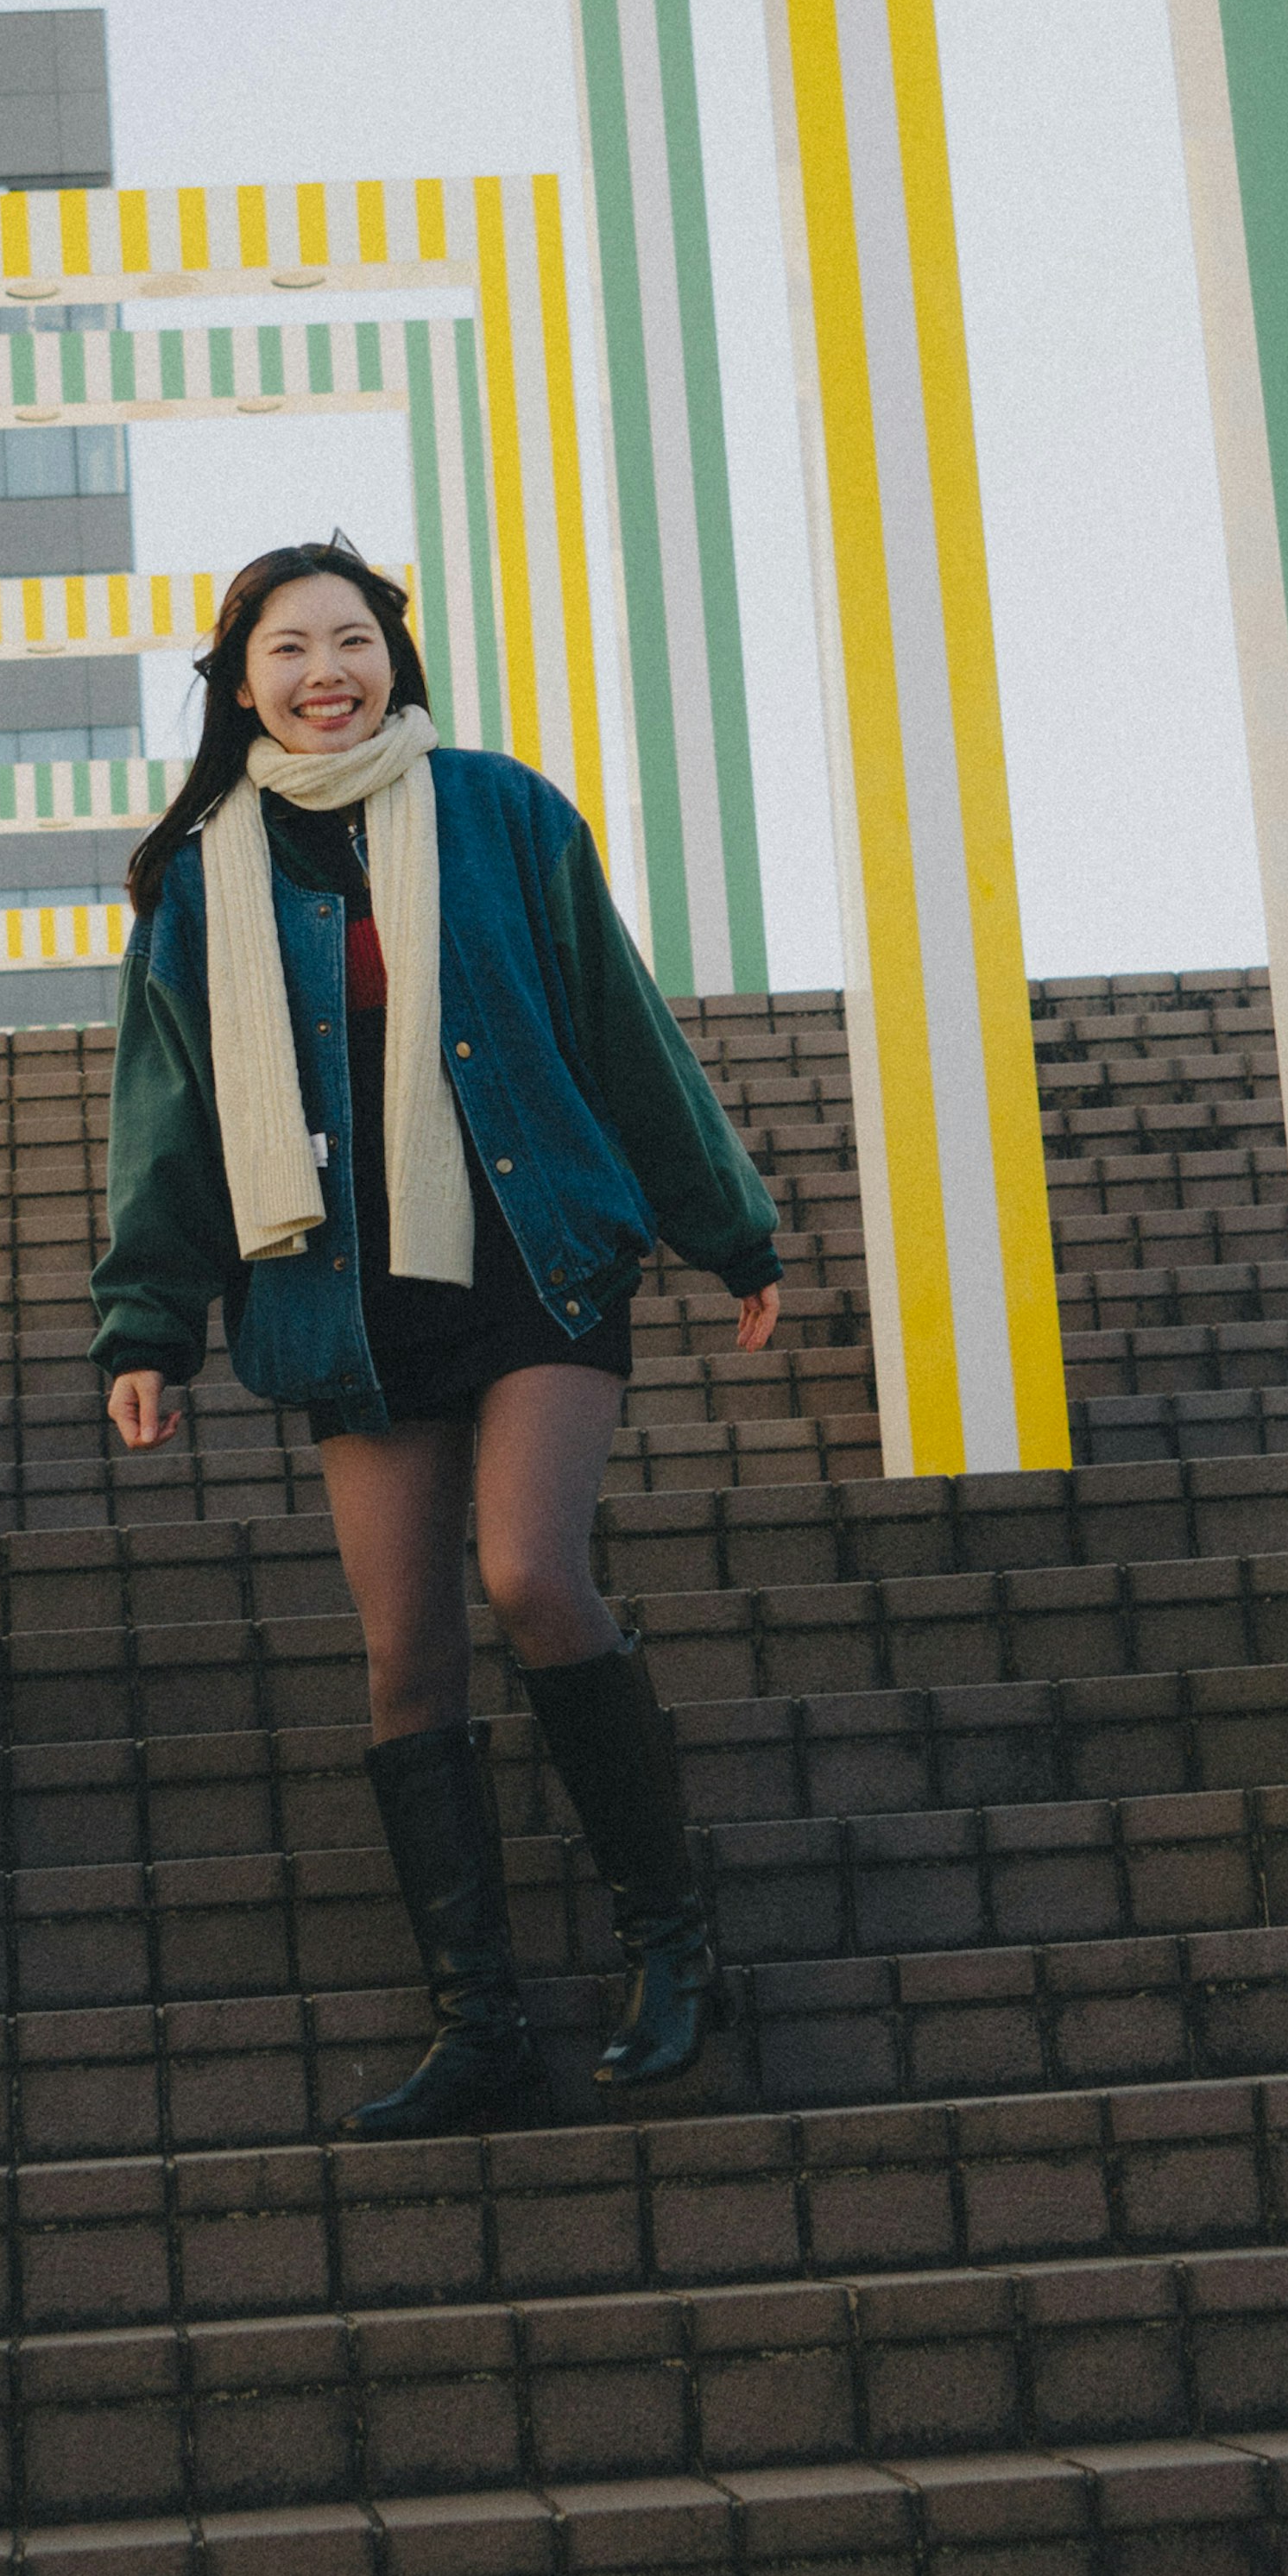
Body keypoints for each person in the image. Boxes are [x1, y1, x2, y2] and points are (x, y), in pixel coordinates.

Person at [92, 537, 784, 2138]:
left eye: (352, 639)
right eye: (287, 648)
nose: (324, 670)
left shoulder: (502, 811)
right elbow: (171, 1120)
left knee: (531, 1577)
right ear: (240, 679)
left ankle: (670, 1945)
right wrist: (149, 1326)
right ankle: (479, 2023)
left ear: (395, 655)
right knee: (406, 1653)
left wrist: (724, 1223)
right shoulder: (202, 880)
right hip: (348, 1284)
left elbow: (618, 1025)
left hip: (534, 1248)